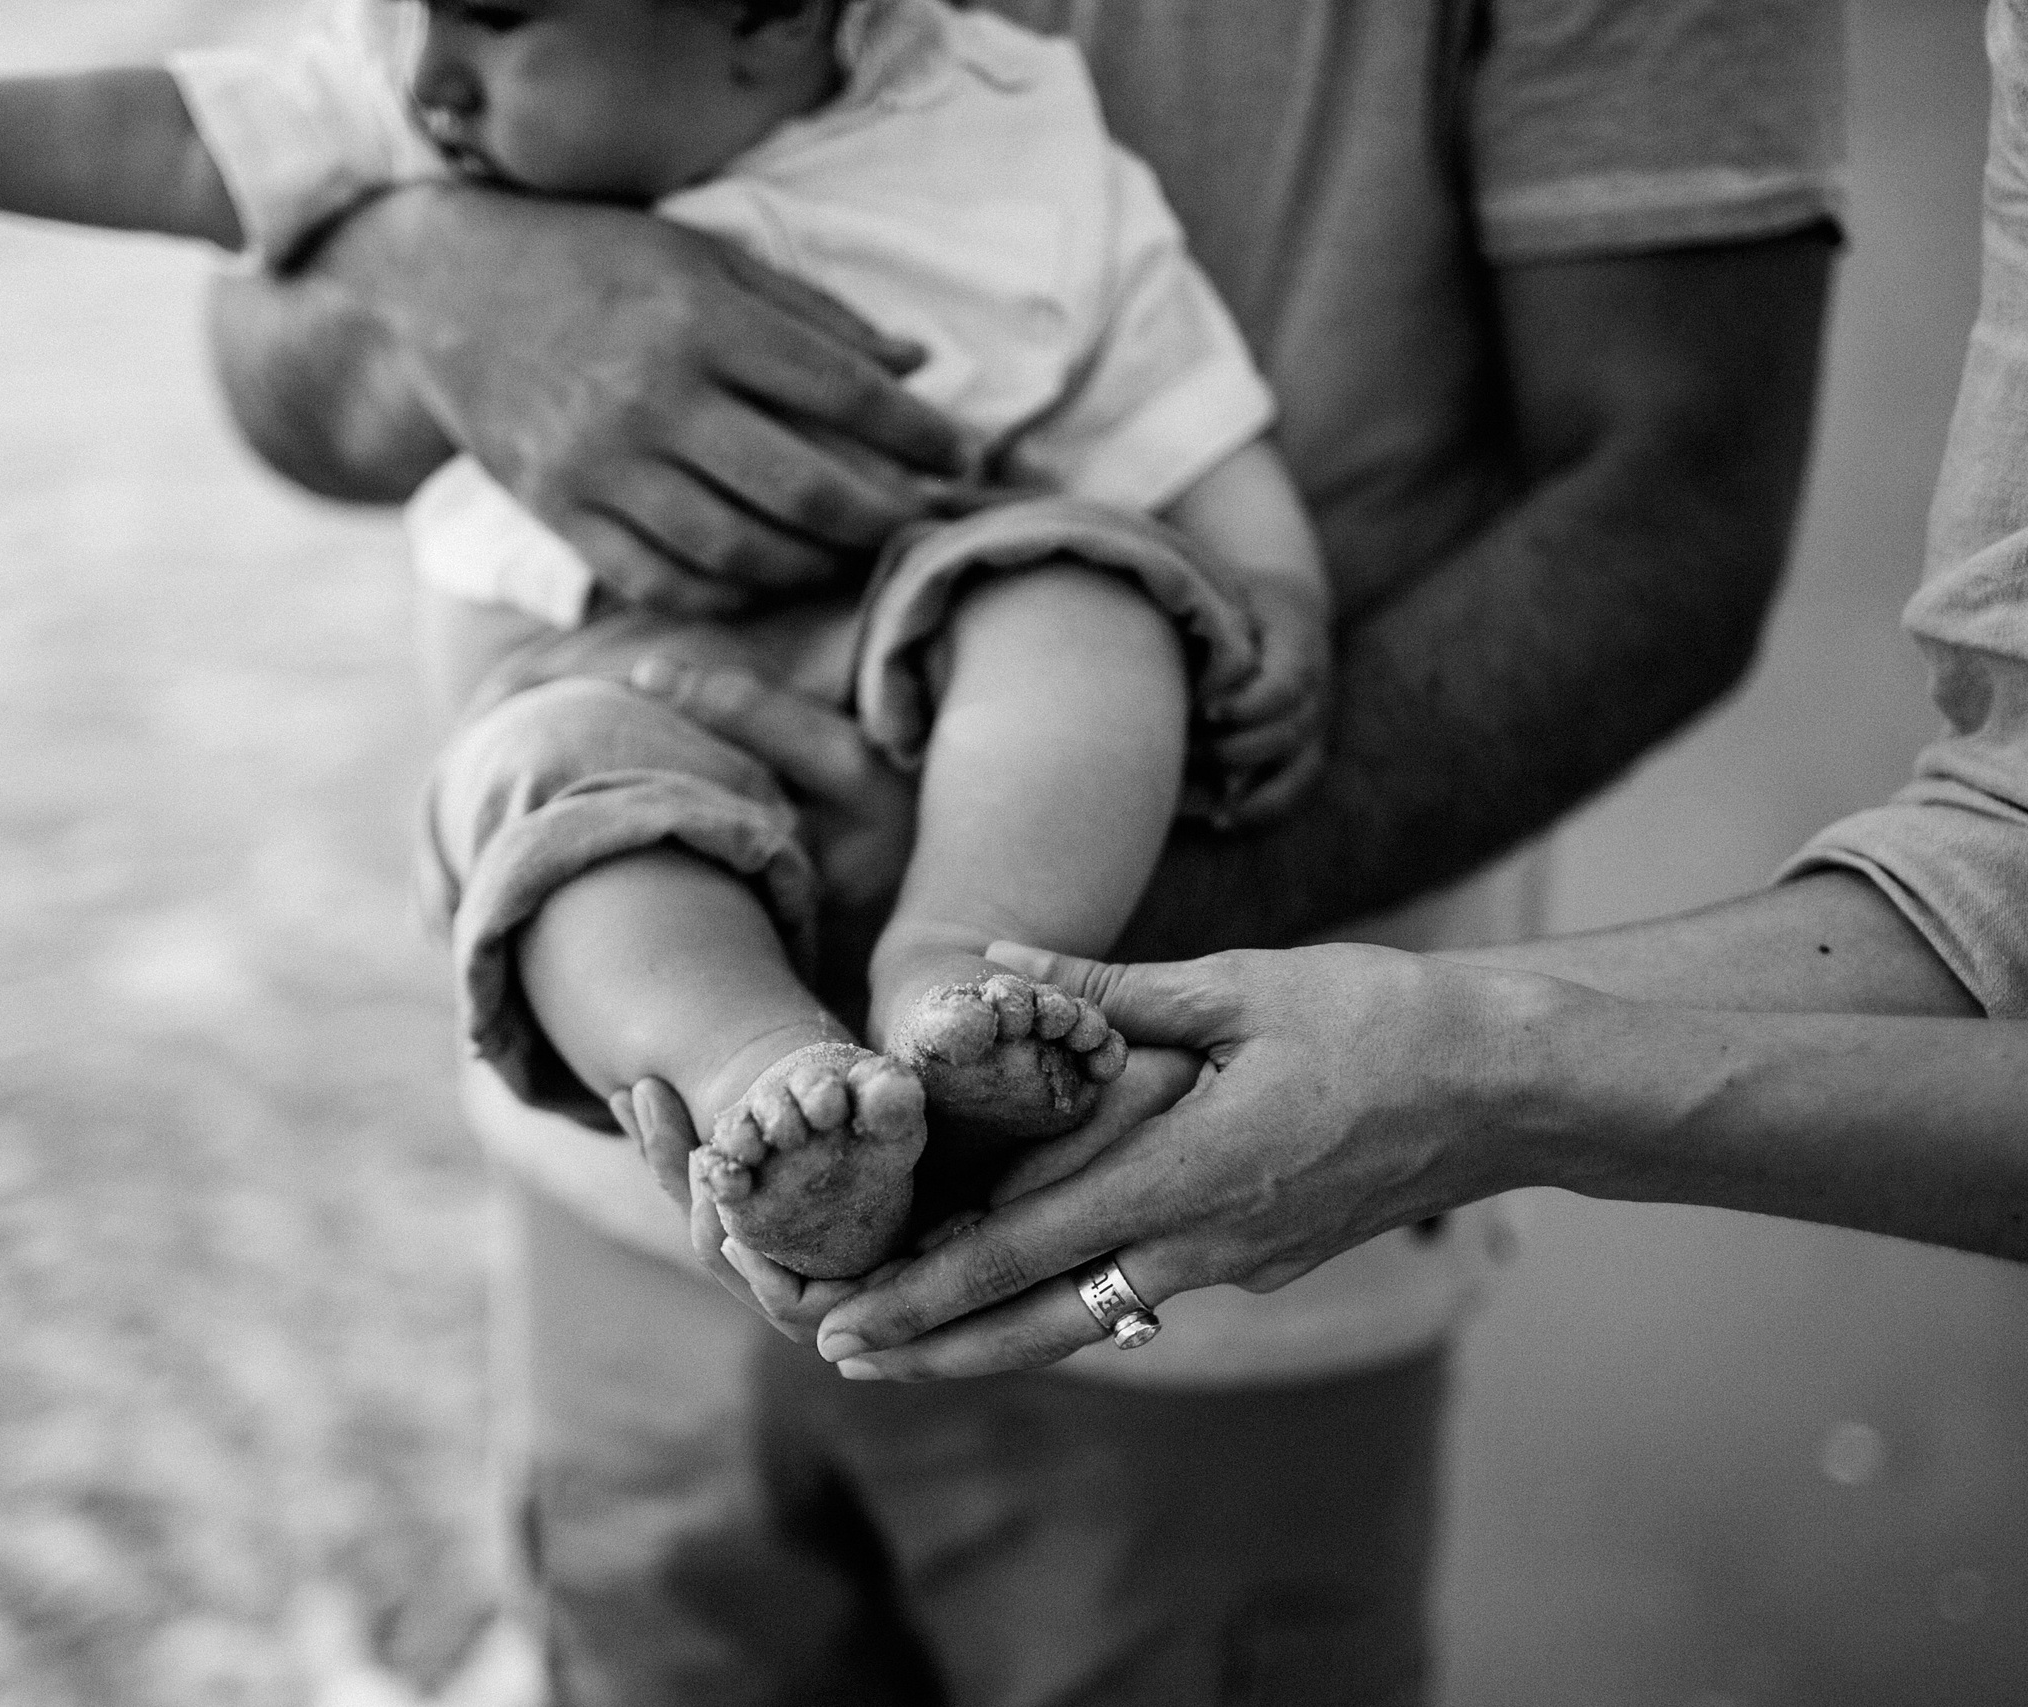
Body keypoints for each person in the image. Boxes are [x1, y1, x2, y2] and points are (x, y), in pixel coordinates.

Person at [209, 0, 1843, 1700]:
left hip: (1215, 1187)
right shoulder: (430, 73)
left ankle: (931, 984)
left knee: (1071, 590)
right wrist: (442, 285)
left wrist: (1048, 920)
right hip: (622, 1171)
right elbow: (258, 318)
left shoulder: (1026, 150)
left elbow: (1674, 499)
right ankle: (775, 1041)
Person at [0, 0, 1335, 1282]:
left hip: (923, 634)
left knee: (1089, 592)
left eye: (499, 27)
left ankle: (964, 966)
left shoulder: (1009, 121)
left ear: (768, 21)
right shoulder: (410, 109)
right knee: (565, 822)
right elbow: (163, 138)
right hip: (599, 680)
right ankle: (768, 1085)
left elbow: (1166, 381)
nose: (427, 70)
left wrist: (1279, 591)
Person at [771, 0, 2028, 1386]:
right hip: (649, 1076)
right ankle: (737, 1052)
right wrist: (492, 262)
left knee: (1072, 600)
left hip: (1196, 1222)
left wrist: (1462, 1066)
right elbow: (1997, 859)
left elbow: (1669, 506)